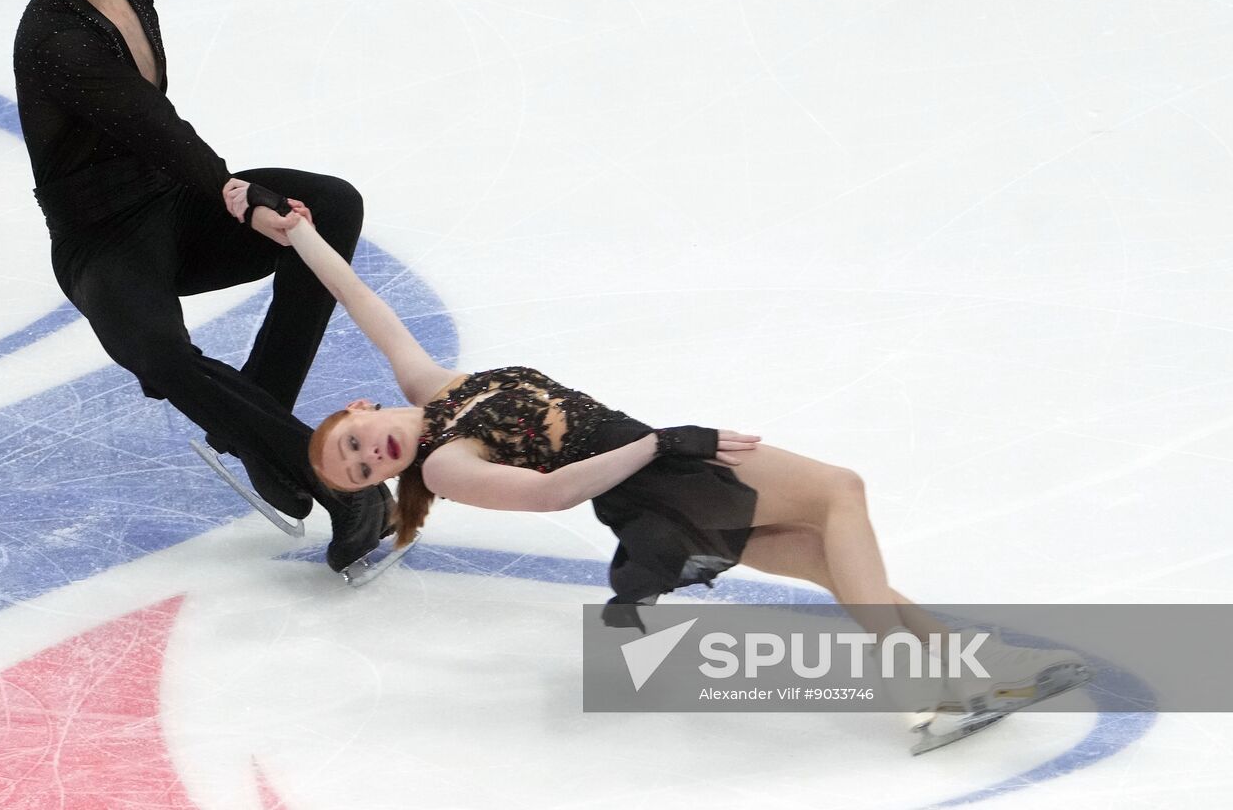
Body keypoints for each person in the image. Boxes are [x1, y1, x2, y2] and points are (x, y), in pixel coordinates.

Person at [259, 210, 1089, 745]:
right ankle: (931, 685)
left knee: (831, 556)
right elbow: (555, 491)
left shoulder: (428, 388)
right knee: (841, 491)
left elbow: (357, 294)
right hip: (659, 477)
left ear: (360, 406)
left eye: (355, 444)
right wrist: (661, 445)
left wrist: (301, 235)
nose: (372, 460)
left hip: (662, 477)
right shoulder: (447, 462)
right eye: (360, 473)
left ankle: (964, 668)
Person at [12, 0, 390, 571]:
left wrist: (223, 194)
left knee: (330, 208)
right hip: (102, 240)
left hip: (170, 202)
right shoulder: (54, 38)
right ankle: (326, 480)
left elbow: (156, 123)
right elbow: (148, 121)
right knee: (159, 355)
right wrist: (234, 194)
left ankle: (260, 426)